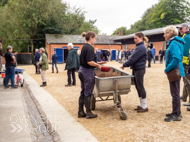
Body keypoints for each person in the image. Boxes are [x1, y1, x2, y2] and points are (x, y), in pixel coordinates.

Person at [78, 31, 106, 119]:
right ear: (91, 38)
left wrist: (99, 62)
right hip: (87, 72)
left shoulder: (84, 47)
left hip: (81, 70)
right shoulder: (90, 47)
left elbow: (88, 60)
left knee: (83, 91)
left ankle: (81, 112)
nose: (95, 40)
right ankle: (89, 112)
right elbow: (89, 62)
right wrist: (98, 65)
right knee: (88, 92)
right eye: (95, 38)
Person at [121, 32, 148, 113]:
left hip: (139, 69)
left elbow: (133, 59)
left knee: (140, 86)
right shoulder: (139, 47)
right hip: (136, 69)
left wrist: (124, 64)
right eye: (134, 38)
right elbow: (133, 58)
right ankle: (142, 105)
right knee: (137, 86)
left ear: (141, 38)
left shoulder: (141, 47)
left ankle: (145, 106)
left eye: (136, 38)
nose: (134, 40)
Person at [163, 25, 185, 122]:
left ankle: (176, 114)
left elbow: (176, 58)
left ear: (169, 33)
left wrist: (167, 69)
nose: (164, 35)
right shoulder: (176, 42)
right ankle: (175, 111)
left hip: (174, 71)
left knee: (175, 94)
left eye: (165, 33)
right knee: (175, 93)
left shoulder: (173, 43)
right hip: (176, 70)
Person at [176, 23, 190, 109]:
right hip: (186, 62)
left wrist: (182, 61)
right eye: (179, 29)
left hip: (186, 63)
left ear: (186, 28)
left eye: (181, 28)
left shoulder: (187, 37)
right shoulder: (186, 36)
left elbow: (186, 51)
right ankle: (184, 96)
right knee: (186, 80)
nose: (180, 30)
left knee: (187, 81)